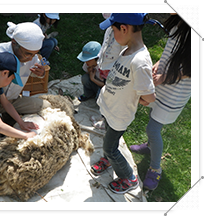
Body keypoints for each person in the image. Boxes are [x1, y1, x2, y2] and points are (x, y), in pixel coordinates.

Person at [90, 13, 156, 194]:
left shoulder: (140, 62)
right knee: (108, 140)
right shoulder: (126, 49)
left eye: (113, 30)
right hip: (110, 108)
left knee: (110, 147)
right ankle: (109, 158)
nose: (113, 35)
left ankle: (128, 177)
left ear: (124, 29)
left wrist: (136, 98)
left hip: (119, 114)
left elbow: (150, 97)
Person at [129, 14, 191, 190]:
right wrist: (159, 62)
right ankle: (149, 146)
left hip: (176, 88)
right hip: (164, 78)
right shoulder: (179, 21)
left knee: (153, 128)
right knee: (152, 111)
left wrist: (167, 77)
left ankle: (155, 168)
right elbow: (172, 49)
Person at [78, 13, 125, 102]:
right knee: (84, 78)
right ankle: (88, 94)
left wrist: (92, 78)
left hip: (103, 87)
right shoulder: (87, 65)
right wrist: (90, 72)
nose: (86, 62)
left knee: (100, 97)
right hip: (95, 84)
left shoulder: (106, 65)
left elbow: (106, 86)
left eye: (88, 59)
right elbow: (87, 76)